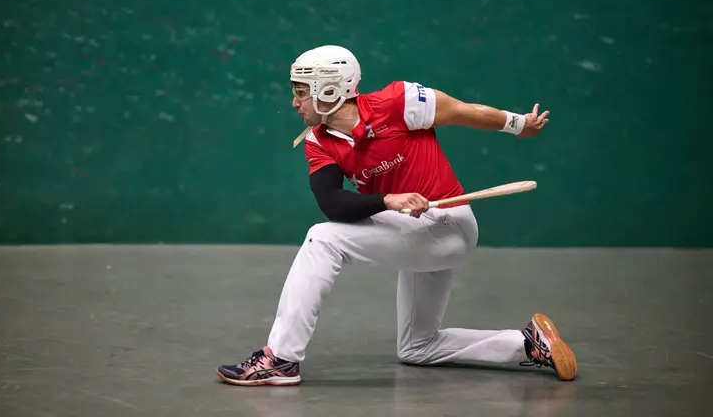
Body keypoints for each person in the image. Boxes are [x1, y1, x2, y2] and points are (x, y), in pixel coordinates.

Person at [216, 45, 576, 386]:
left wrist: (518, 124)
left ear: (328, 90)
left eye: (301, 92)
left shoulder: (400, 101)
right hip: (412, 233)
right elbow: (333, 204)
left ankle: (280, 358)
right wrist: (389, 200)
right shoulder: (319, 141)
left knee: (322, 239)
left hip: (447, 223)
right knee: (418, 347)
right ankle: (528, 343)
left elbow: (462, 110)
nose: (294, 103)